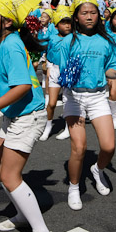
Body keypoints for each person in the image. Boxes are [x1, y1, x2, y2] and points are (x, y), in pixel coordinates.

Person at [0, 0, 53, 232]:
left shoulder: (11, 44)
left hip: (27, 116)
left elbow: (22, 86)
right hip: (15, 114)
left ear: (7, 21)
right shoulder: (5, 43)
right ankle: (24, 213)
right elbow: (14, 78)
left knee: (10, 175)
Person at [58, 0, 116, 211]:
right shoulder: (67, 42)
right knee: (79, 147)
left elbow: (110, 69)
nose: (89, 16)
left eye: (93, 12)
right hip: (74, 97)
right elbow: (63, 73)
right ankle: (74, 187)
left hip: (97, 97)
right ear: (75, 17)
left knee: (109, 146)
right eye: (84, 13)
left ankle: (97, 169)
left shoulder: (106, 41)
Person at [40, 8, 72, 141]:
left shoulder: (73, 38)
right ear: (57, 25)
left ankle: (67, 127)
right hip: (55, 70)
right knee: (51, 103)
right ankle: (48, 126)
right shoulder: (52, 38)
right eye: (63, 23)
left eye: (69, 23)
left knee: (67, 102)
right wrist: (47, 67)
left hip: (70, 71)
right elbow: (49, 53)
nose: (67, 26)